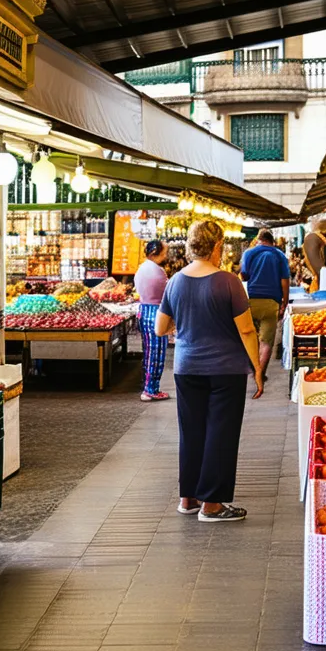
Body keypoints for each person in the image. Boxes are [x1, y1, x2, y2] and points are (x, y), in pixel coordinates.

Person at [155, 221, 263, 523]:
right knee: (220, 433)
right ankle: (212, 505)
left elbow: (160, 328)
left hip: (186, 368)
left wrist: (189, 326)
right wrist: (257, 369)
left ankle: (187, 498)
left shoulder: (175, 281)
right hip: (225, 370)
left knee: (191, 431)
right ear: (217, 247)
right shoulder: (227, 282)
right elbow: (247, 330)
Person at [240, 229, 290, 379]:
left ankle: (252, 364)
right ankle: (260, 373)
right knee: (267, 341)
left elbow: (244, 276)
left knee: (251, 337)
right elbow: (285, 282)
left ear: (258, 240)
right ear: (272, 242)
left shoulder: (249, 253)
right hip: (271, 303)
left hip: (250, 301)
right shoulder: (279, 255)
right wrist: (285, 302)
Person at [134, 240, 170, 402]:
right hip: (156, 313)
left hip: (144, 311)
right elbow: (167, 293)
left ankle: (148, 387)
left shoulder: (142, 268)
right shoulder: (158, 271)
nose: (166, 255)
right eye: (164, 252)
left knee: (148, 352)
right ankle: (151, 390)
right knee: (157, 353)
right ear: (157, 252)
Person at [302, 217, 326, 292]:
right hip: (321, 284)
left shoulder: (323, 239)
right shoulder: (312, 238)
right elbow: (318, 268)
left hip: (325, 282)